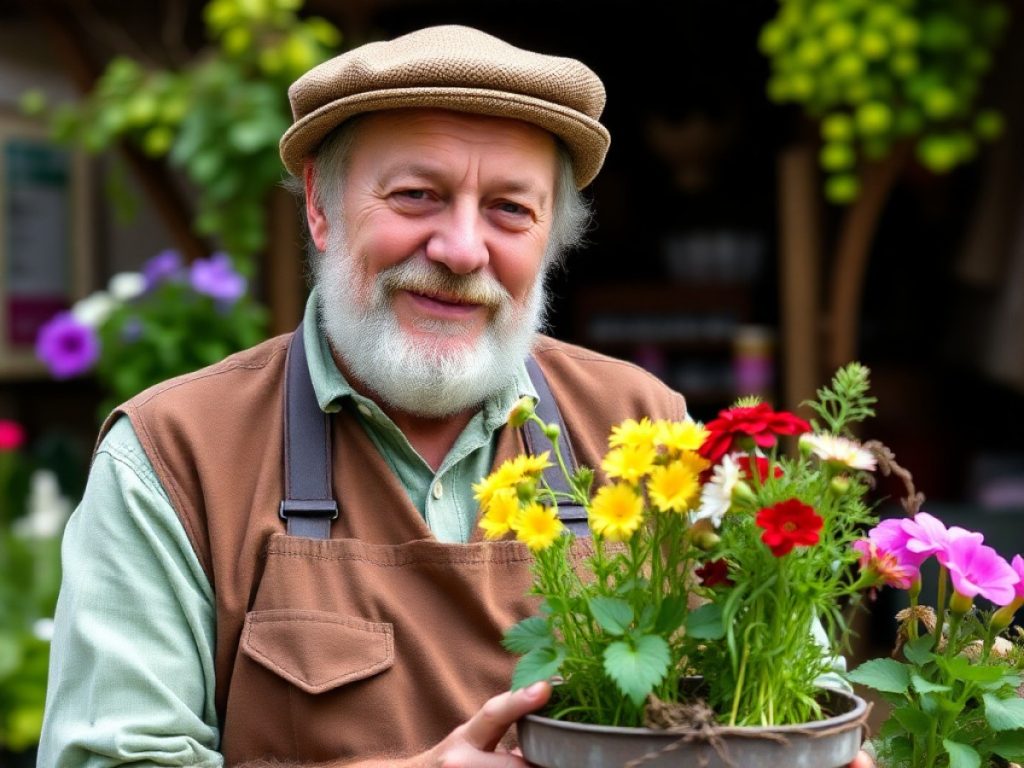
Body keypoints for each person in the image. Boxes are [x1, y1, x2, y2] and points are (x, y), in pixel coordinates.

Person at [38, 24, 874, 768]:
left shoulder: (644, 428)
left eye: (510, 209)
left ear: (549, 242)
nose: (462, 247)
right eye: (416, 197)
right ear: (323, 212)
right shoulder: (176, 456)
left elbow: (791, 692)